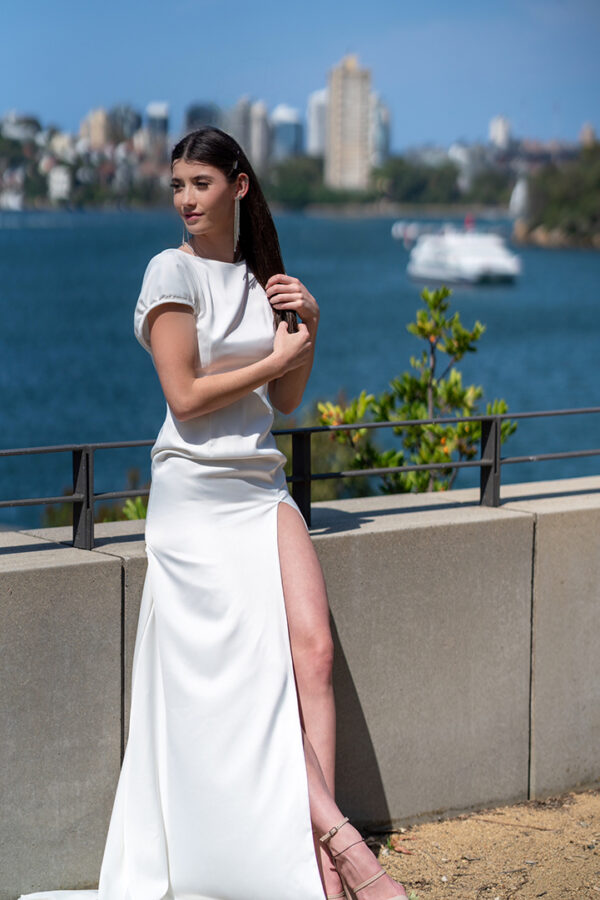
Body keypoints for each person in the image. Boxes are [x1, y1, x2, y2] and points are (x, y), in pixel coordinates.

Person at [18, 127, 407, 900]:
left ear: (239, 186)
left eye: (200, 183)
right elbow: (186, 399)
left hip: (261, 487)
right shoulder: (170, 270)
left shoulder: (262, 279)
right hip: (194, 495)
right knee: (251, 674)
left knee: (314, 654)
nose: (186, 200)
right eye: (177, 186)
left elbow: (284, 402)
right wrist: (275, 358)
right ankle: (340, 847)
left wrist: (309, 335)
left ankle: (313, 853)